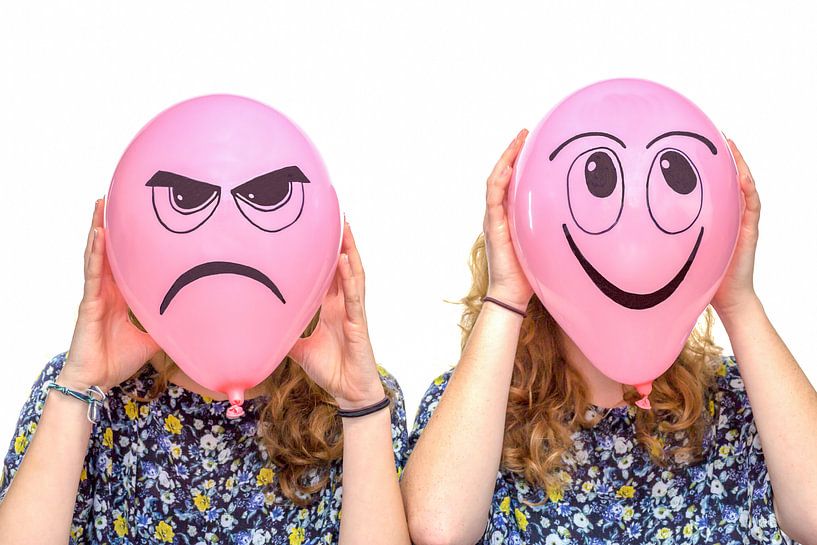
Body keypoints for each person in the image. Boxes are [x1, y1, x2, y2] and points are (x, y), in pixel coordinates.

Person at [400, 129, 817, 544]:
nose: (632, 248)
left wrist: (737, 299)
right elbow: (439, 530)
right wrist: (506, 291)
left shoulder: (737, 403)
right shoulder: (478, 411)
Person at [0, 198, 411, 545]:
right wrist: (79, 385)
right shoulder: (84, 390)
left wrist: (360, 406)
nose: (224, 253)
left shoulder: (361, 398)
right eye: (191, 207)